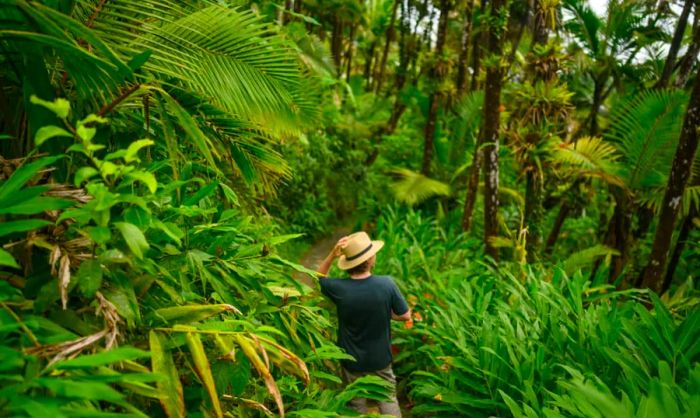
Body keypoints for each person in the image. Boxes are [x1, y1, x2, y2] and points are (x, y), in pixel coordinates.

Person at [316, 231, 411, 417]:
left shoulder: (339, 288)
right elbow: (405, 315)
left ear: (348, 264)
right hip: (380, 359)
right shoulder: (386, 284)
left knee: (355, 404)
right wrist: (388, 314)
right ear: (370, 260)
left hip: (351, 360)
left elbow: (316, 277)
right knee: (388, 399)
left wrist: (332, 254)